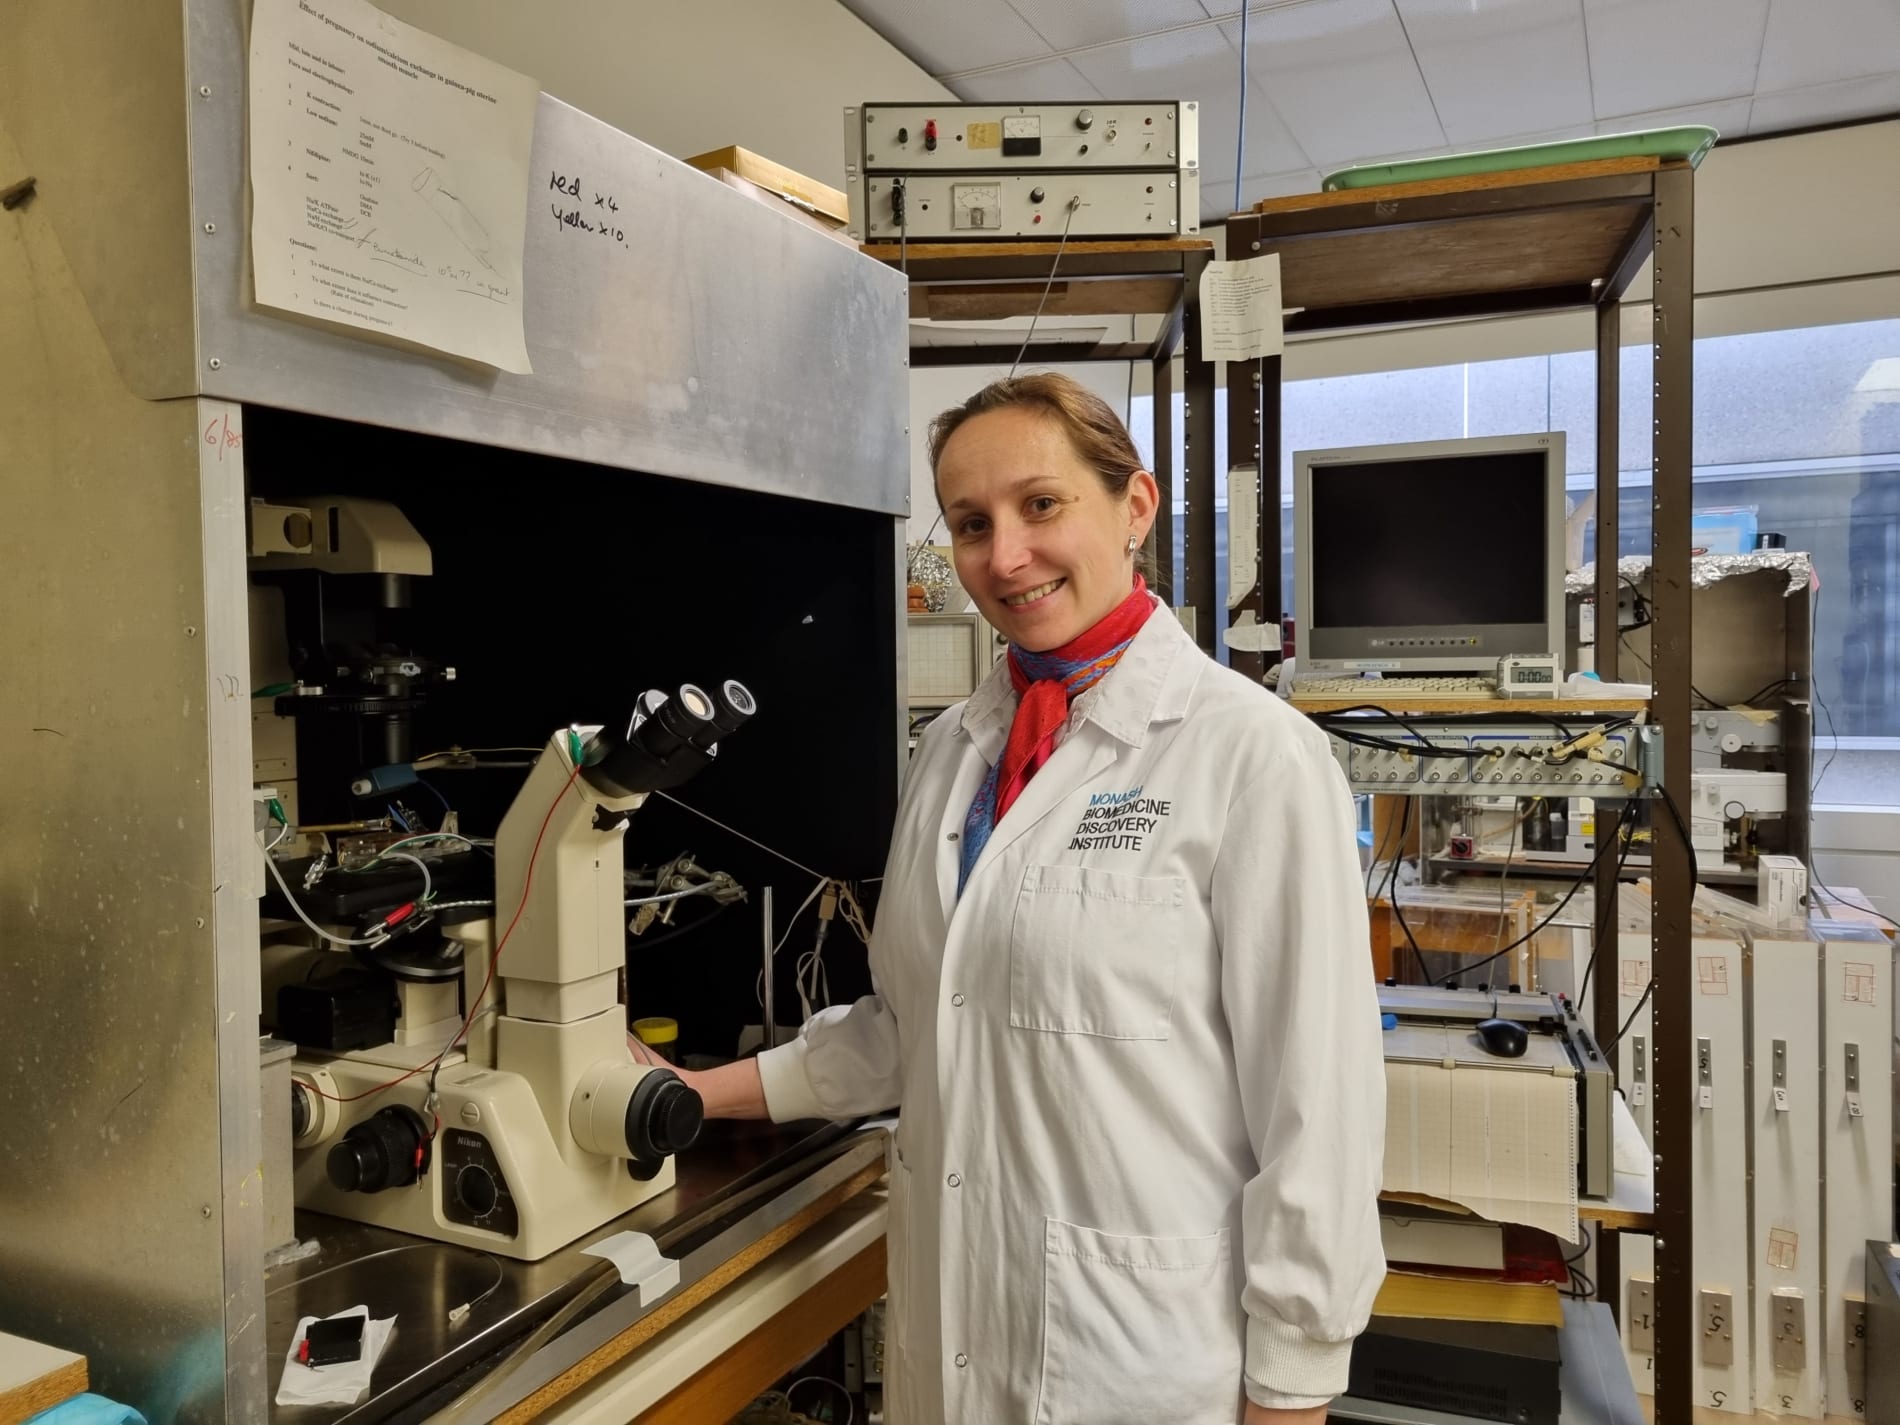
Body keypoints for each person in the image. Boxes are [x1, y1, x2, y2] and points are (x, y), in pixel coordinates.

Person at [633, 373, 1386, 1424]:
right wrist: (700, 1091)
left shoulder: (1252, 757)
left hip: (1144, 1364)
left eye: (1041, 505)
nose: (1005, 556)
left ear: (1133, 507)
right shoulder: (954, 751)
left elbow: (1320, 1114)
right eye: (969, 523)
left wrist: (1294, 1391)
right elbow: (920, 1027)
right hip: (952, 1343)